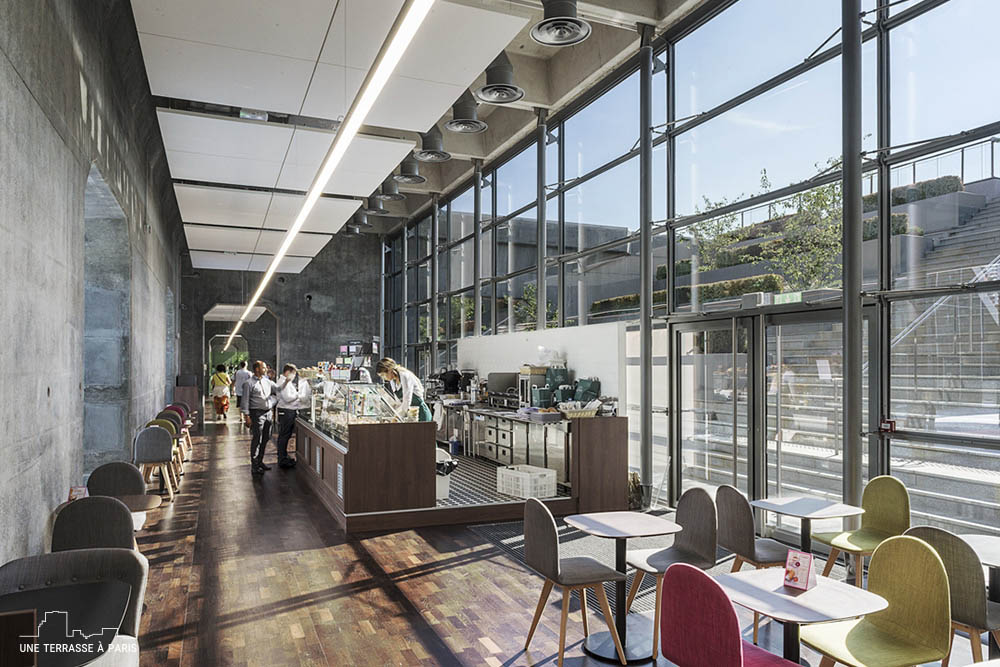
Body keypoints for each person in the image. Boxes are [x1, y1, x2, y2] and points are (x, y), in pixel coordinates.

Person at [241, 360, 278, 474]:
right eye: (263, 368)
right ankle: (254, 465)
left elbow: (278, 391)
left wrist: (272, 403)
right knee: (257, 438)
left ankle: (260, 461)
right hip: (256, 414)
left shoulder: (267, 381)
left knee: (266, 437)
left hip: (268, 413)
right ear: (257, 369)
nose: (266, 369)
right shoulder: (249, 383)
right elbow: (245, 400)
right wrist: (246, 416)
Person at [275, 364, 311, 468]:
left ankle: (283, 456)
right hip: (286, 411)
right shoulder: (283, 382)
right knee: (284, 435)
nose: (294, 376)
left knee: (285, 435)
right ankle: (282, 459)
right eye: (293, 373)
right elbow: (287, 398)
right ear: (288, 372)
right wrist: (299, 395)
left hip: (289, 411)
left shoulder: (286, 382)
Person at [376, 358, 432, 422]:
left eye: (383, 375)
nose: (383, 378)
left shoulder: (405, 376)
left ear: (389, 370)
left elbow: (406, 402)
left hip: (420, 414)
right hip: (409, 416)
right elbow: (399, 403)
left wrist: (396, 417)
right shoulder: (392, 381)